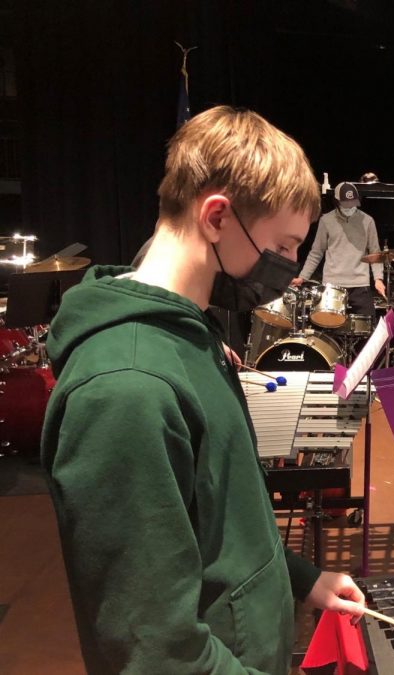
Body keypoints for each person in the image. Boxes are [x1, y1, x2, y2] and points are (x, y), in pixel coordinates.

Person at [41, 106, 365, 674]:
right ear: (217, 216)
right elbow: (155, 650)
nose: (289, 268)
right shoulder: (127, 391)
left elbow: (218, 521)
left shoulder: (194, 336)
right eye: (284, 247)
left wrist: (301, 580)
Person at [293, 181, 386, 317]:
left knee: (368, 326)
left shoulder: (368, 221)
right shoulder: (326, 220)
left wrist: (378, 278)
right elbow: (316, 252)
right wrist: (303, 277)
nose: (349, 208)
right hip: (332, 285)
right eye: (346, 204)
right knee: (327, 327)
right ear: (337, 202)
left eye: (353, 203)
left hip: (360, 284)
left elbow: (375, 252)